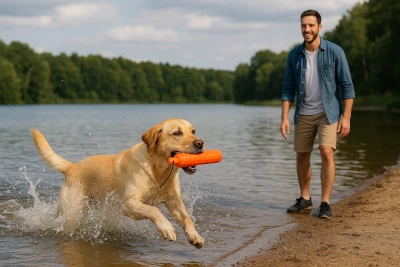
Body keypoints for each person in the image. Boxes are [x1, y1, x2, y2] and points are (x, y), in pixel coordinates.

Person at [280, 10, 355, 219]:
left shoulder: (335, 52)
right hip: (303, 112)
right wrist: (284, 117)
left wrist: (346, 116)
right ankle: (305, 198)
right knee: (302, 155)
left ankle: (325, 203)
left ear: (320, 27)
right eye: (304, 25)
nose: (307, 29)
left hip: (328, 113)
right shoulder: (294, 55)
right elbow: (287, 89)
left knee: (326, 152)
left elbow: (347, 87)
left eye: (311, 25)